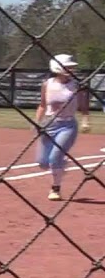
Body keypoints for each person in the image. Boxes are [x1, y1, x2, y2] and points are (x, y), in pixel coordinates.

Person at [34, 53, 92, 201]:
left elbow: (84, 107)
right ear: (58, 68)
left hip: (67, 125)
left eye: (72, 67)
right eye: (68, 67)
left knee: (55, 157)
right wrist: (36, 122)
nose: (72, 69)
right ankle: (61, 164)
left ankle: (55, 189)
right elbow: (42, 105)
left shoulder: (77, 85)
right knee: (43, 162)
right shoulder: (47, 84)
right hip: (48, 124)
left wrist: (86, 121)